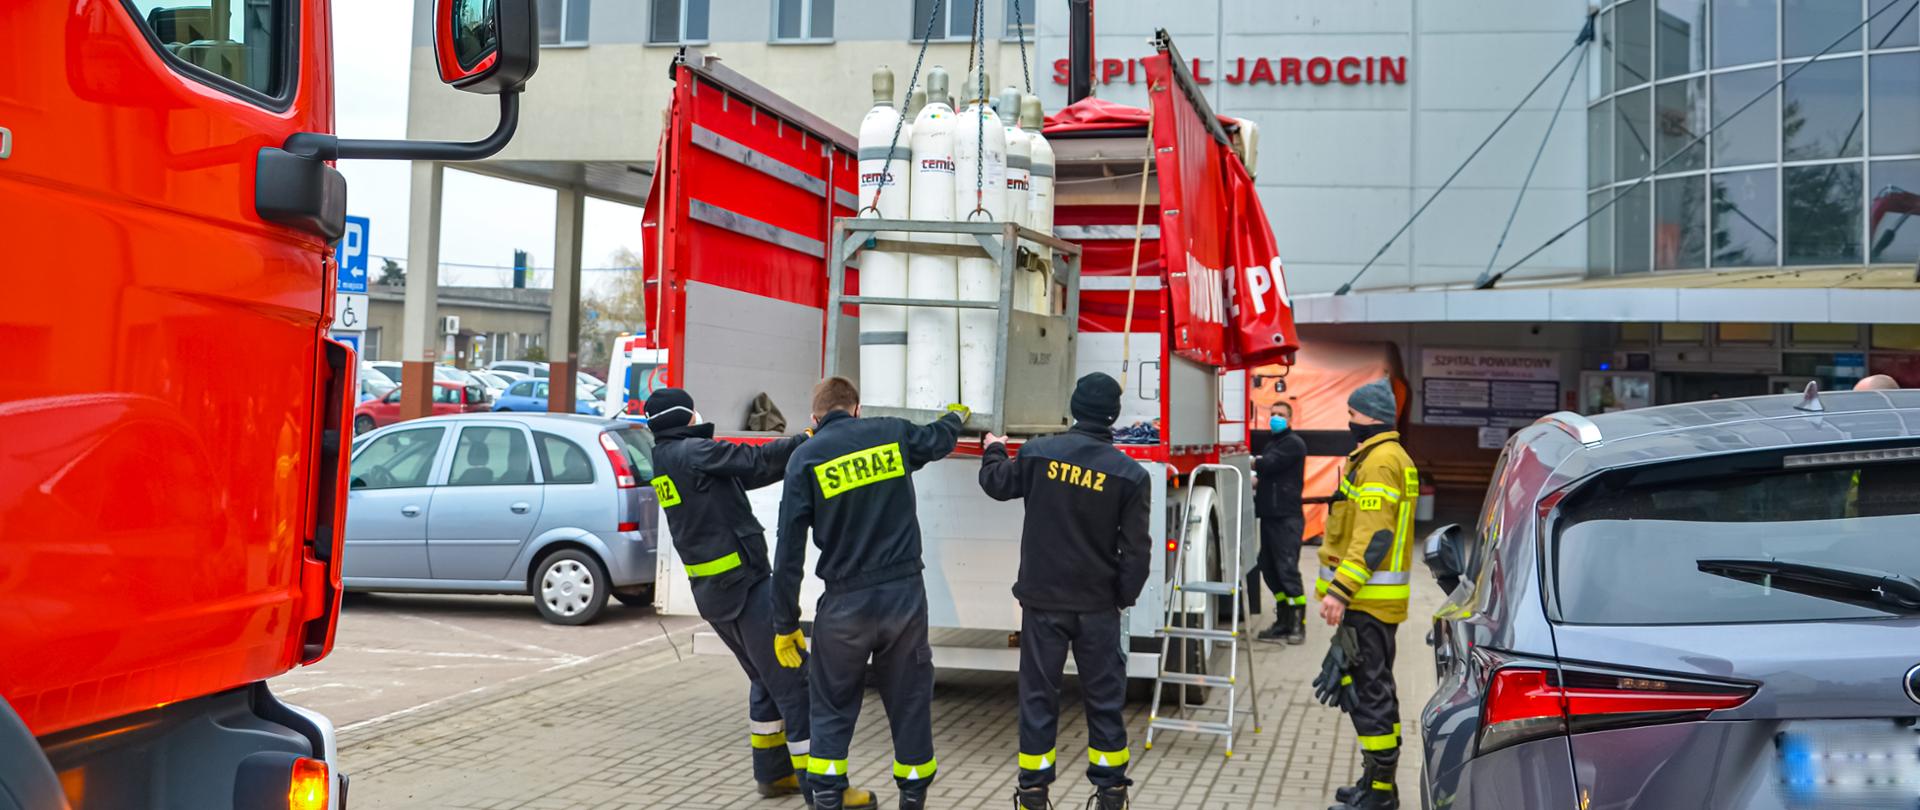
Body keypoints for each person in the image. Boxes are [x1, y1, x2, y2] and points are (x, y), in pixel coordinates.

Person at [643, 388, 875, 807]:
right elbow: (754, 459)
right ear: (686, 416)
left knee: (765, 681)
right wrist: (809, 438)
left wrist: (795, 456)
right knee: (797, 683)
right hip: (744, 588)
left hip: (717, 595)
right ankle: (825, 791)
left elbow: (749, 474)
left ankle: (773, 774)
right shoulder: (694, 452)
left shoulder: (667, 458)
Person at [771, 377, 965, 810]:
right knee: (910, 699)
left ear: (814, 419)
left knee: (831, 707)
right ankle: (912, 799)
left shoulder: (805, 458)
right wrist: (956, 417)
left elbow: (788, 552)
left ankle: (826, 799)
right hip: (903, 599)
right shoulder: (891, 433)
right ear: (857, 409)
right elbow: (937, 440)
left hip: (844, 607)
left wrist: (783, 623)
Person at [977, 373, 1151, 810]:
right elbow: (1137, 551)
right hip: (1097, 607)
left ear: (1074, 407)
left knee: (1038, 696)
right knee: (1104, 699)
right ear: (1113, 415)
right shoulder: (1129, 475)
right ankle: (1111, 792)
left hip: (1042, 604)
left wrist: (994, 446)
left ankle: (1032, 794)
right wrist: (1121, 597)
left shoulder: (1038, 453)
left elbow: (998, 484)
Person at [1314, 378, 1418, 810]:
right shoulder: (1386, 456)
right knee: (1377, 690)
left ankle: (1377, 796)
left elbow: (1374, 537)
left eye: (1352, 415)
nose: (1349, 422)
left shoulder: (1379, 462)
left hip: (1367, 603)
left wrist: (1339, 591)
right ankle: (1377, 783)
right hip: (1374, 604)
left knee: (1369, 694)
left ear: (1369, 417)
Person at [1254, 401, 1309, 645]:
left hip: (1286, 517)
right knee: (1268, 566)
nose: (1275, 418)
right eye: (1273, 413)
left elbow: (1268, 464)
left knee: (1287, 569)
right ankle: (1283, 619)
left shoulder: (1292, 444)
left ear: (1290, 418)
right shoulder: (1273, 443)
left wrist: (1251, 461)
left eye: (1281, 415)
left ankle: (1298, 624)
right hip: (1270, 515)